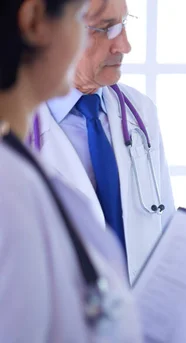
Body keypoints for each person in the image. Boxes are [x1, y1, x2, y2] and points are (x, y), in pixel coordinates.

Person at [0, 0, 143, 340]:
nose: (124, 45)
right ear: (35, 22)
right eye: (83, 20)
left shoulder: (17, 167)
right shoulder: (9, 190)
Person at [32, 0, 175, 283]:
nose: (124, 46)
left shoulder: (140, 111)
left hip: (139, 315)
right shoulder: (18, 129)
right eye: (105, 29)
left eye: (123, 25)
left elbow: (165, 226)